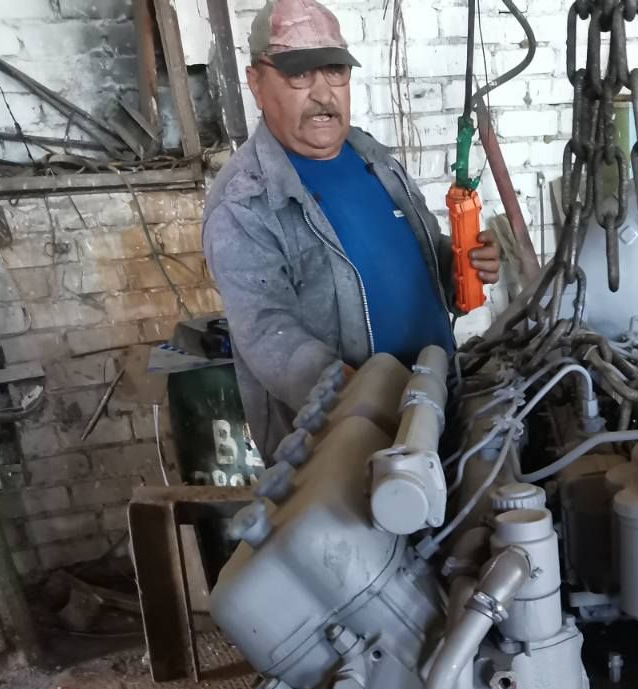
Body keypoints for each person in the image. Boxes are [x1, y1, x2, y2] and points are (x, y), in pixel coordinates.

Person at [202, 0, 500, 461]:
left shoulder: (372, 158)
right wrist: (366, 404)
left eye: (335, 70)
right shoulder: (245, 202)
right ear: (256, 83)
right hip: (347, 448)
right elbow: (266, 333)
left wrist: (460, 264)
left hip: (439, 403)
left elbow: (411, 261)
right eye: (300, 74)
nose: (323, 93)